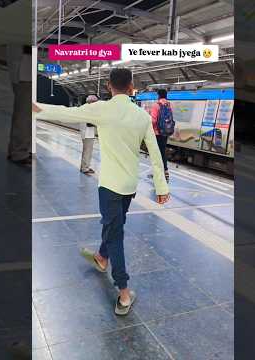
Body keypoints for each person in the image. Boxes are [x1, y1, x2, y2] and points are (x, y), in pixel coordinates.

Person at [33, 68, 170, 316]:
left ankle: (124, 291)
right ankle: (101, 257)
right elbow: (156, 155)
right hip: (129, 186)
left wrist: (35, 107)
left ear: (109, 86)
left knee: (115, 232)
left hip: (109, 185)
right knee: (114, 224)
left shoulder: (102, 109)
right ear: (131, 87)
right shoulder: (142, 116)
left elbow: (67, 112)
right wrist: (161, 187)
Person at [6, 44, 32, 166]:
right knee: (24, 115)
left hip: (25, 71)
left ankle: (18, 150)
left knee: (24, 114)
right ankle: (19, 153)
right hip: (24, 72)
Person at [149, 89, 171, 182]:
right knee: (162, 151)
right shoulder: (169, 105)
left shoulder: (156, 105)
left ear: (158, 95)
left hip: (157, 132)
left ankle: (159, 173)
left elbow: (153, 120)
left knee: (156, 154)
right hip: (165, 132)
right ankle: (165, 172)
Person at [79, 95, 98, 174]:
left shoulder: (84, 107)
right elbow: (90, 123)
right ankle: (85, 168)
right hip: (88, 133)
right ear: (91, 102)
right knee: (88, 151)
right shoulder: (88, 109)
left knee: (86, 151)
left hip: (86, 132)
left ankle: (84, 166)